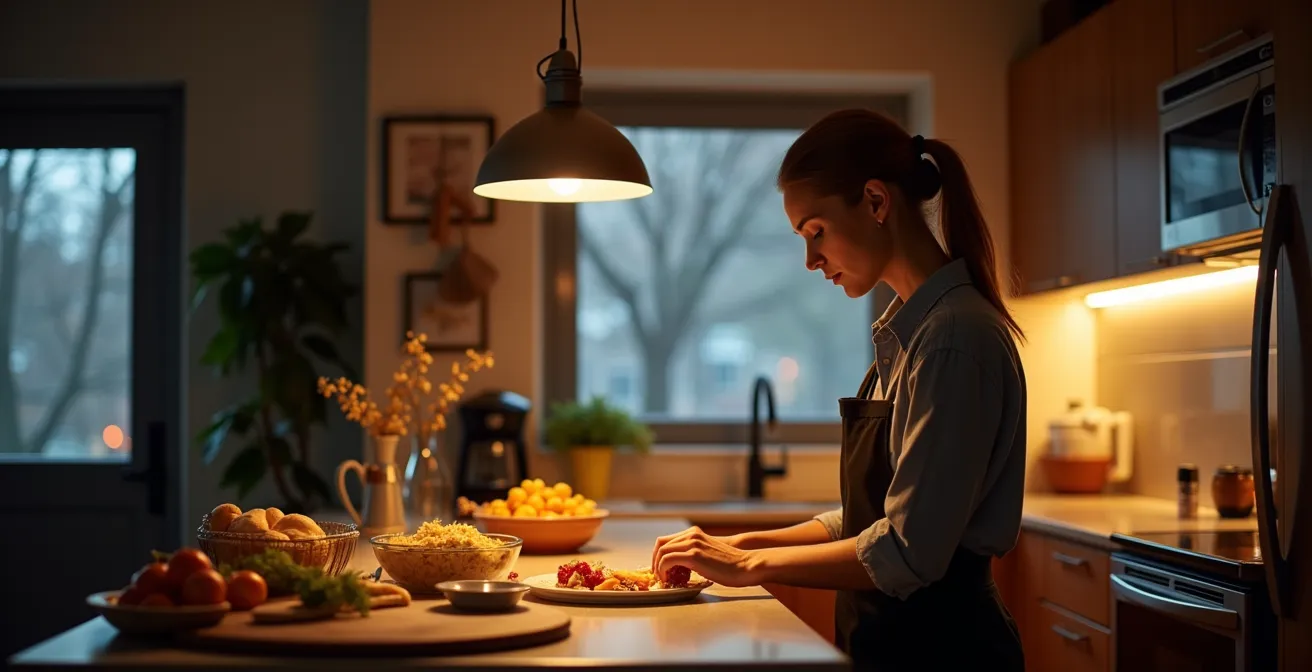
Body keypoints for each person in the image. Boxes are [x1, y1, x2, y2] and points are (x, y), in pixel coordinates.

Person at [651, 109, 1027, 671]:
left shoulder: (953, 339)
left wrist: (752, 569)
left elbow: (908, 548)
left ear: (876, 202)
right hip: (896, 640)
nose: (810, 260)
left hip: (944, 647)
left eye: (815, 231)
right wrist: (748, 545)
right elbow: (869, 516)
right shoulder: (911, 333)